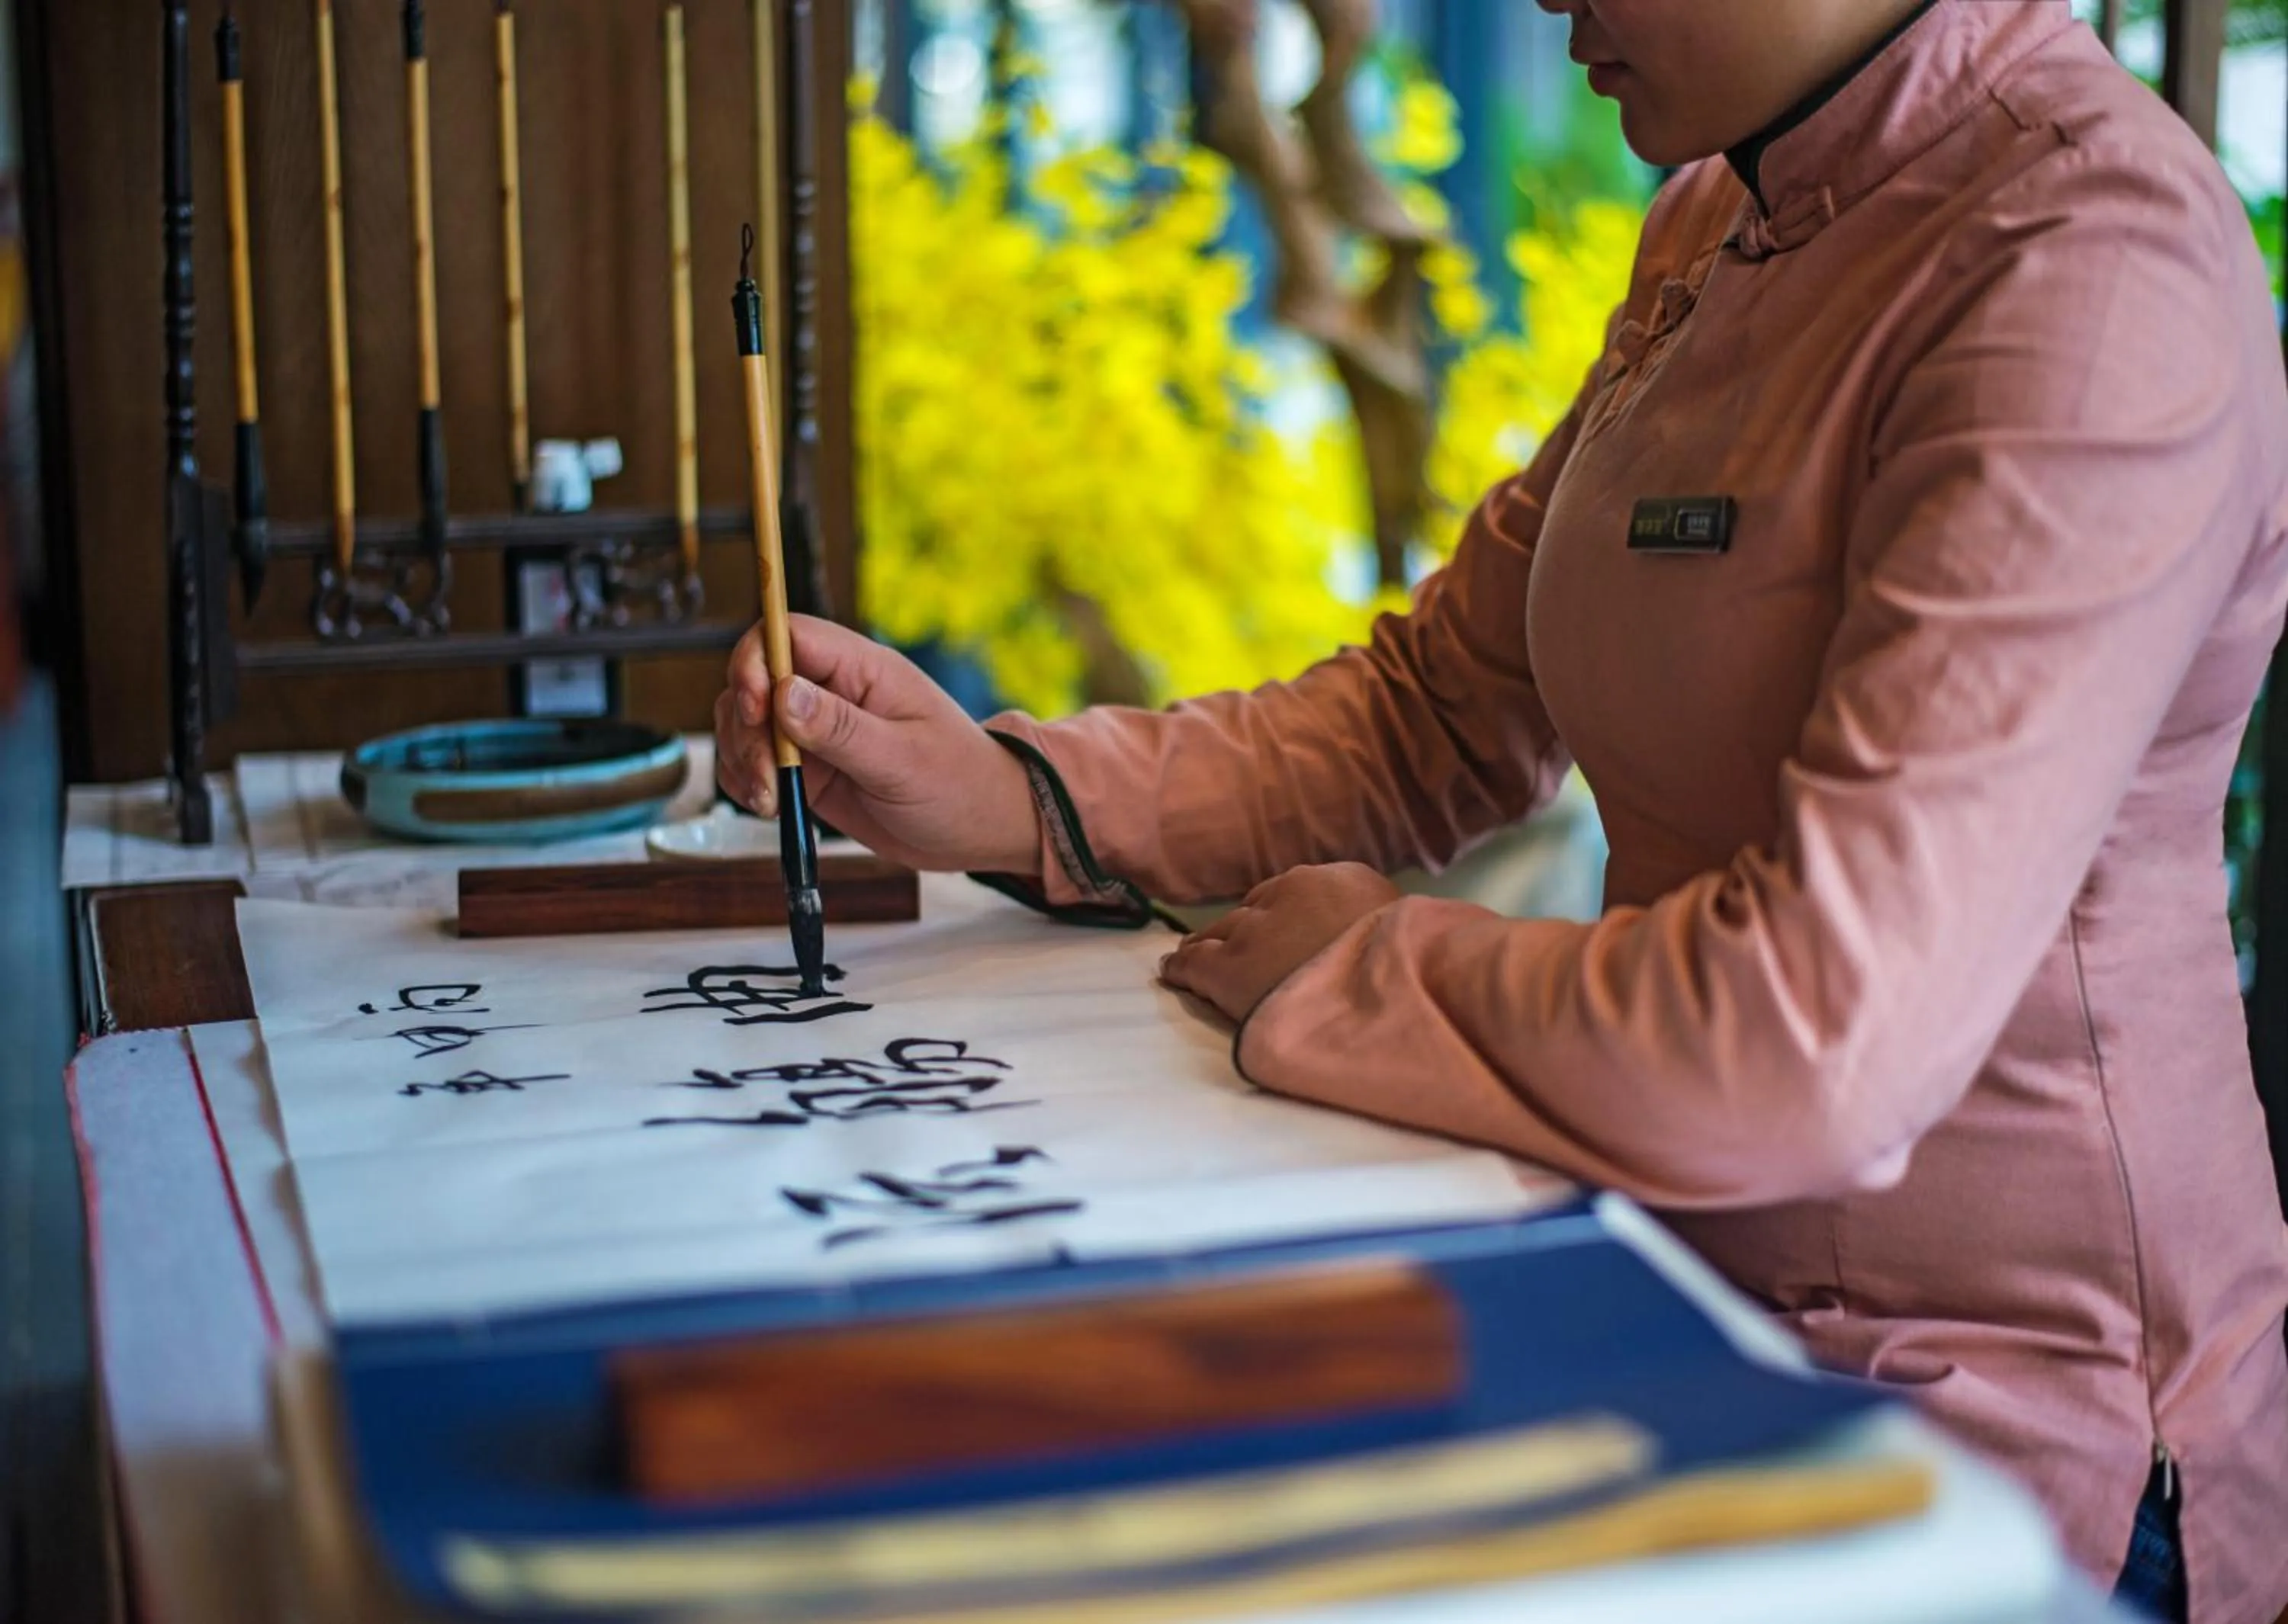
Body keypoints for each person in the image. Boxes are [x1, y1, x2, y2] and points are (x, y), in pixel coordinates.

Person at [716, 2, 2288, 1618]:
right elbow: (1438, 707)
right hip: (1652, 1299)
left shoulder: (2085, 261)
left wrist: (1364, 970)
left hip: (2006, 1451)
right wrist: (1004, 790)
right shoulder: (1720, 217)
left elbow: (1819, 1041)